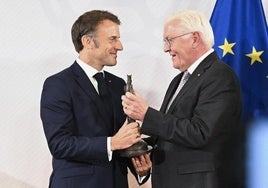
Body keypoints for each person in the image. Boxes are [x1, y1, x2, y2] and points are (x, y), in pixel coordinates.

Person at [122, 10, 242, 188]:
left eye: (169, 40)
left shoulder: (220, 76)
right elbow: (168, 137)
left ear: (194, 38)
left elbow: (201, 133)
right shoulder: (178, 80)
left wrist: (147, 114)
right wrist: (136, 148)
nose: (165, 48)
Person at [40, 10, 150, 188]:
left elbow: (123, 142)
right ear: (87, 41)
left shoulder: (117, 84)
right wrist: (112, 143)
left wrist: (140, 170)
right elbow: (59, 144)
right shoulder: (58, 84)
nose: (120, 46)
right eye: (112, 39)